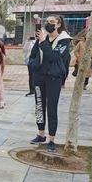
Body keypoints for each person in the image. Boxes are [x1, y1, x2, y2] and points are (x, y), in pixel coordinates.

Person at [29, 15, 72, 152]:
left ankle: (51, 139)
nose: (48, 24)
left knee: (51, 107)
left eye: (52, 22)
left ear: (59, 24)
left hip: (54, 78)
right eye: (47, 22)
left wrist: (42, 41)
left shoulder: (64, 40)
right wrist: (32, 64)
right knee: (39, 105)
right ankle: (40, 134)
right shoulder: (43, 37)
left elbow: (53, 57)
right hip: (39, 76)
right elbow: (34, 53)